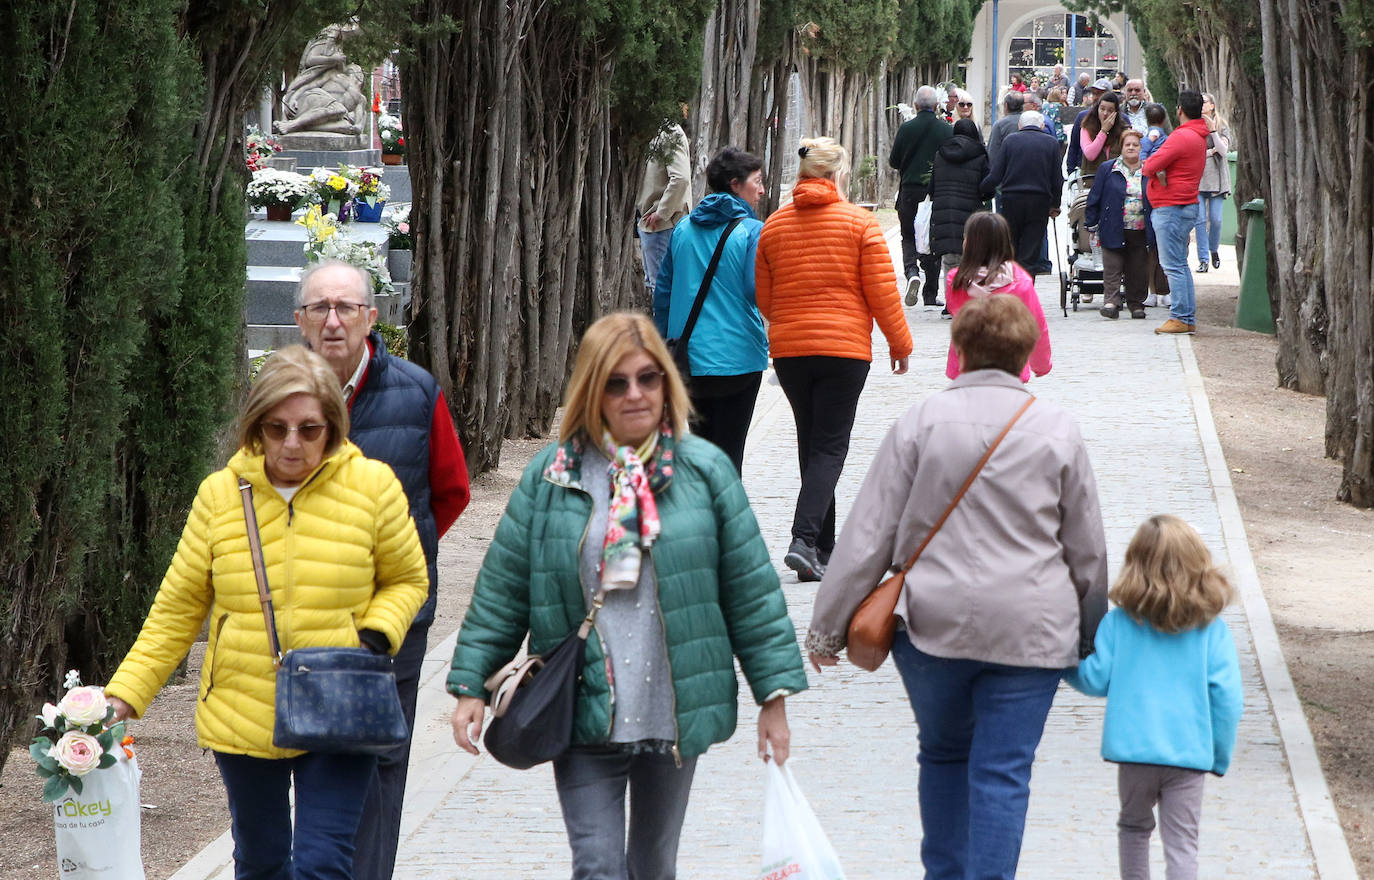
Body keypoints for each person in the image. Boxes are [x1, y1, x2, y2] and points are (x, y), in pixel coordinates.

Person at [447, 312, 809, 879]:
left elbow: (750, 592)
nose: (635, 394)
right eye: (617, 382)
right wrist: (471, 683)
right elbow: (504, 583)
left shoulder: (705, 471)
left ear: (667, 382)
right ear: (593, 390)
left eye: (648, 378)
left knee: (653, 867)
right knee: (597, 867)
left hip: (673, 709)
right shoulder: (553, 475)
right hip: (584, 707)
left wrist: (774, 699)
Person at [805, 292, 1107, 880]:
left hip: (930, 627)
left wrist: (826, 631)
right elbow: (1087, 548)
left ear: (959, 349)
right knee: (1004, 772)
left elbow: (868, 535)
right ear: (1025, 353)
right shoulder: (1057, 430)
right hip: (1034, 629)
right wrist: (1091, 633)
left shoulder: (920, 423)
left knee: (942, 754)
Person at [104, 346, 429, 879]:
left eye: (309, 428)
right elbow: (179, 607)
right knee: (260, 861)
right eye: (277, 429)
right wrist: (125, 692)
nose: (293, 444)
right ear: (256, 427)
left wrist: (373, 636)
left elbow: (408, 579)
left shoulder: (373, 486)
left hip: (340, 697)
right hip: (244, 704)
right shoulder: (219, 496)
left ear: (333, 425)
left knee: (323, 864)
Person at [292, 260, 471, 880]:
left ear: (372, 317)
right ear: (301, 321)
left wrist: (398, 564)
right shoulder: (280, 398)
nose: (334, 321)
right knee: (306, 752)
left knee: (379, 758)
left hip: (392, 619)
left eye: (347, 308)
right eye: (321, 309)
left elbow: (449, 493)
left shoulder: (417, 392)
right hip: (302, 612)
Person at [757, 136, 913, 582]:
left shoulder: (774, 225)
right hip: (844, 351)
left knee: (812, 443)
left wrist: (792, 320)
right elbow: (882, 294)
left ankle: (822, 550)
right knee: (829, 446)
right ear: (837, 175)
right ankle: (804, 539)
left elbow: (763, 298)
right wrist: (899, 345)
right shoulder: (858, 224)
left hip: (790, 352)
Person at [1066, 515, 1243, 880]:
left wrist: (1062, 664)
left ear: (1135, 564)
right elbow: (1227, 698)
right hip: (1189, 755)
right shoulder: (1212, 630)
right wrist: (1218, 754)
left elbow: (1096, 680)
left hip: (1134, 755)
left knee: (1133, 829)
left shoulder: (1118, 623)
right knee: (1182, 844)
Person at [653, 146, 767, 473]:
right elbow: (754, 290)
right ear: (735, 184)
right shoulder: (750, 231)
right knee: (730, 457)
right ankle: (727, 521)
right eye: (756, 181)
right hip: (739, 359)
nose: (761, 190)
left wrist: (665, 345)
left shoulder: (683, 229)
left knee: (700, 455)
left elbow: (663, 294)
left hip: (688, 360)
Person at [942, 212, 1052, 382]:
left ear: (968, 244)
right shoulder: (1020, 282)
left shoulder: (956, 281)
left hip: (965, 368)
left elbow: (953, 308)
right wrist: (1041, 365)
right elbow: (1037, 325)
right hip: (1010, 368)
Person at [1144, 89, 1210, 334]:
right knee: (1180, 264)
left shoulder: (1181, 137)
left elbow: (1150, 165)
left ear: (1179, 110)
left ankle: (1181, 316)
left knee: (1172, 265)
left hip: (1171, 207)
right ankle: (1186, 315)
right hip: (1184, 205)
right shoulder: (1197, 136)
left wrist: (1155, 169)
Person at [889, 85, 954, 306]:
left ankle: (911, 272)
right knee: (932, 238)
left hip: (909, 190)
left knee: (908, 235)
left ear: (916, 106)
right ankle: (929, 293)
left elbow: (894, 161)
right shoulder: (946, 130)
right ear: (937, 107)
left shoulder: (906, 129)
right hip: (935, 193)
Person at [981, 110, 1063, 277]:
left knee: (1011, 246)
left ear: (1020, 126)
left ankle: (1012, 286)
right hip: (1039, 201)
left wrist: (982, 189)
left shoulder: (1010, 141)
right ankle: (1025, 289)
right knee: (1031, 250)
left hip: (1012, 200)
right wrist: (1055, 204)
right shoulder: (1051, 143)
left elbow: (996, 174)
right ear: (1042, 126)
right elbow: (1057, 179)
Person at [1086, 130, 1155, 320]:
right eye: (1128, 145)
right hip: (1113, 226)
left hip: (1140, 229)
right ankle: (1111, 302)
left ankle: (1136, 304)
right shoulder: (1108, 169)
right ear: (1121, 147)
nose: (1131, 147)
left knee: (1138, 268)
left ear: (1141, 148)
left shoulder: (1149, 170)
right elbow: (1095, 197)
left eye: (1135, 145)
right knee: (1112, 266)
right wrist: (1091, 223)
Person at [930, 119, 991, 300]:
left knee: (949, 260)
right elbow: (987, 188)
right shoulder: (980, 155)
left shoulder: (941, 154)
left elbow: (932, 188)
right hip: (970, 213)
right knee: (971, 257)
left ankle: (951, 302)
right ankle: (969, 298)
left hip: (944, 211)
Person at [637, 120, 692, 298]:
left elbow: (680, 178)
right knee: (659, 287)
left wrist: (662, 212)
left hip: (663, 225)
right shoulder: (657, 129)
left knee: (663, 291)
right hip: (656, 224)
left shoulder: (668, 131)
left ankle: (665, 327)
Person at [1193, 93, 1232, 273]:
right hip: (1198, 177)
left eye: (1205, 102)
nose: (1202, 105)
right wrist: (1209, 152)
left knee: (1216, 219)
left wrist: (1213, 132)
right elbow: (1193, 150)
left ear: (1212, 105)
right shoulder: (1193, 124)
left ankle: (1213, 249)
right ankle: (1203, 259)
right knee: (1199, 220)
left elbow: (1223, 150)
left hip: (1216, 177)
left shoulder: (1222, 124)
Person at [1079, 90, 1130, 180]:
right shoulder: (1086, 127)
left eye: (1110, 110)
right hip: (1091, 181)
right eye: (1102, 109)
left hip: (1115, 181)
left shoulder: (1124, 129)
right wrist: (1103, 131)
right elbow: (1090, 155)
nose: (1105, 113)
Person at [1066, 78, 1112, 173]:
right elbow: (1074, 146)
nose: (1097, 97)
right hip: (1084, 171)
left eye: (1101, 93)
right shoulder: (1083, 117)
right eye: (1095, 93)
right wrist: (1071, 171)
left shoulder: (1121, 119)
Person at [984, 91, 1025, 173]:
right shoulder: (1028, 122)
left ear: (1006, 105)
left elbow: (992, 154)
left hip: (1006, 173)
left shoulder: (1000, 125)